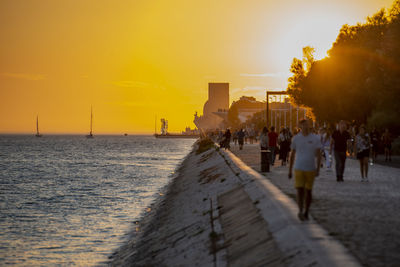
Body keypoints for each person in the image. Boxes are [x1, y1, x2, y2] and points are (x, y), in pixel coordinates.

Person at [288, 119, 322, 221]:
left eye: (307, 125)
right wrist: (290, 170)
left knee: (308, 191)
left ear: (310, 126)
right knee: (299, 190)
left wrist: (318, 168)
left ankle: (306, 210)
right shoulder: (296, 139)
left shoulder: (315, 138)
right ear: (300, 126)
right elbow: (292, 155)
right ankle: (300, 210)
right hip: (298, 167)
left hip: (310, 168)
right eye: (303, 125)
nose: (305, 127)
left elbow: (319, 154)